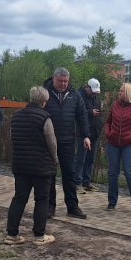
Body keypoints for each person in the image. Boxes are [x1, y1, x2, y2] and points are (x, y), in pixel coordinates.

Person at [4, 86, 58, 246]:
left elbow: (13, 137)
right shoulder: (45, 117)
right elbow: (51, 142)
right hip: (41, 165)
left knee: (19, 198)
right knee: (42, 199)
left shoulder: (16, 115)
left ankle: (11, 235)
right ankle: (39, 236)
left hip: (21, 164)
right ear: (44, 102)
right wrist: (55, 160)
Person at [42, 67, 91, 219]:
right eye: (60, 81)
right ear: (53, 79)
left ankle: (72, 206)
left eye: (66, 81)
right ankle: (50, 206)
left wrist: (86, 136)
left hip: (67, 141)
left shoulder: (75, 95)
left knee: (69, 174)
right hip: (48, 141)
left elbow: (82, 116)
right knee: (49, 174)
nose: (63, 84)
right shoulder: (44, 94)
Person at [104, 83, 131, 215]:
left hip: (129, 145)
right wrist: (108, 133)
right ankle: (112, 201)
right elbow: (108, 122)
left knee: (130, 172)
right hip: (113, 143)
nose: (119, 93)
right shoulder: (114, 105)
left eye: (122, 91)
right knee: (112, 172)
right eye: (119, 91)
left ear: (128, 93)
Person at [74, 78, 103, 194]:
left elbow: (99, 111)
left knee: (90, 159)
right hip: (83, 132)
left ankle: (87, 182)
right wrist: (90, 112)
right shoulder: (79, 96)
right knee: (80, 158)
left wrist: (100, 123)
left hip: (94, 131)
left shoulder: (96, 97)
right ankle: (77, 182)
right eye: (93, 91)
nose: (95, 94)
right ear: (87, 87)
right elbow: (77, 113)